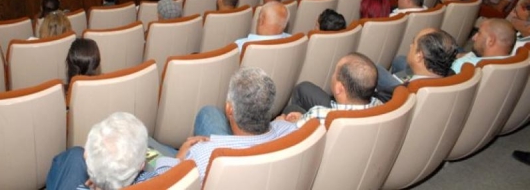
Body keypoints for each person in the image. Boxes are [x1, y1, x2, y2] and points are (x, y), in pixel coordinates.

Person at [155, 67, 297, 181]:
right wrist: (280, 124)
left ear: (229, 109)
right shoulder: (291, 132)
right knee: (209, 112)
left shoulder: (204, 156)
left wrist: (179, 159)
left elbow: (164, 183)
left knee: (154, 148)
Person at [46, 112, 162, 189]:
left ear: (87, 156)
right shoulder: (158, 180)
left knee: (74, 155)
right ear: (141, 165)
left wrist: (99, 178)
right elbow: (170, 164)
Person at [283, 53, 383, 124]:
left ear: (338, 88)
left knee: (290, 110)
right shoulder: (379, 105)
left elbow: (296, 131)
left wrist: (286, 120)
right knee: (304, 88)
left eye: (335, 72)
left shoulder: (319, 115)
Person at [376, 29, 458, 101]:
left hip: (403, 89)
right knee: (400, 60)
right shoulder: (452, 74)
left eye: (413, 43)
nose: (410, 45)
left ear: (419, 56)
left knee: (377, 70)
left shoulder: (393, 94)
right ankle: (399, 78)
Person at [450, 18, 516, 73]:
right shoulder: (512, 64)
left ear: (491, 41)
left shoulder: (461, 65)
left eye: (479, 33)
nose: (473, 38)